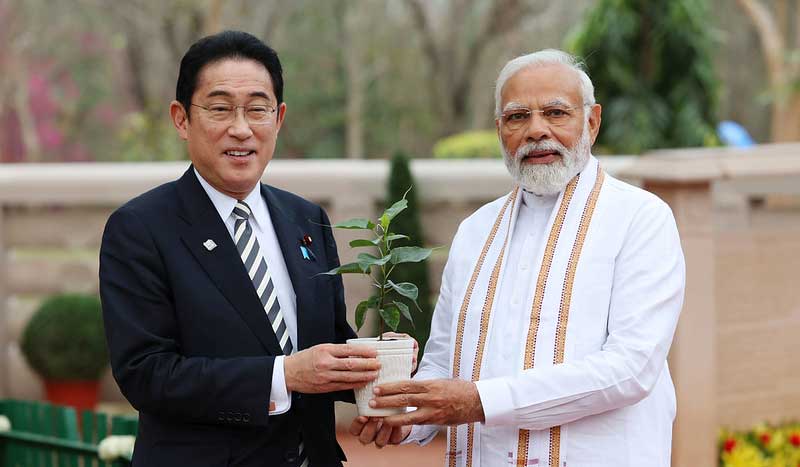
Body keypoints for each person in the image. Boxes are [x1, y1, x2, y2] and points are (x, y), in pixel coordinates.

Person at [350, 49, 685, 467]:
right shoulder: (476, 229)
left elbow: (631, 368)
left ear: (592, 122)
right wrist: (407, 416)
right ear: (499, 130)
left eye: (556, 113)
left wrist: (480, 402)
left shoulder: (640, 218)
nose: (535, 131)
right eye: (517, 117)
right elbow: (444, 359)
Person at [100, 30, 382, 467]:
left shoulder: (305, 218)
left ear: (279, 117)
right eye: (219, 109)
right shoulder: (140, 228)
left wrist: (381, 373)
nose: (241, 128)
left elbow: (322, 344)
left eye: (257, 109)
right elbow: (148, 375)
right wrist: (283, 376)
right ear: (181, 118)